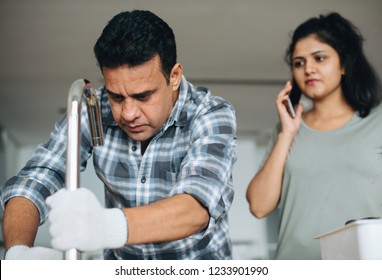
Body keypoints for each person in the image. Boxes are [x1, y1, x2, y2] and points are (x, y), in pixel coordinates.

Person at [1, 10, 237, 260]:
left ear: (175, 76)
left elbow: (196, 208)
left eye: (143, 96)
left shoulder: (210, 114)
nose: (129, 113)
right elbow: (36, 179)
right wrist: (18, 254)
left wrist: (105, 226)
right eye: (117, 96)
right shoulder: (93, 108)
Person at [246, 12, 382, 259]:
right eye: (299, 63)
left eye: (319, 58)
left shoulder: (378, 121)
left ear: (343, 64)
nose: (308, 69)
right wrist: (287, 133)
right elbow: (258, 205)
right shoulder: (286, 128)